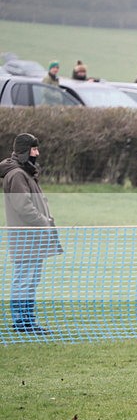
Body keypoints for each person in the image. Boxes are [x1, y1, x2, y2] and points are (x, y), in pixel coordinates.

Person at [1, 133, 63, 335]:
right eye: (34, 149)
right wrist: (44, 222)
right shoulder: (17, 175)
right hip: (25, 238)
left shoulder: (25, 172)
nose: (37, 153)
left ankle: (28, 321)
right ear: (24, 151)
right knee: (24, 279)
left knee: (31, 280)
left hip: (32, 239)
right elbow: (23, 206)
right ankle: (21, 323)